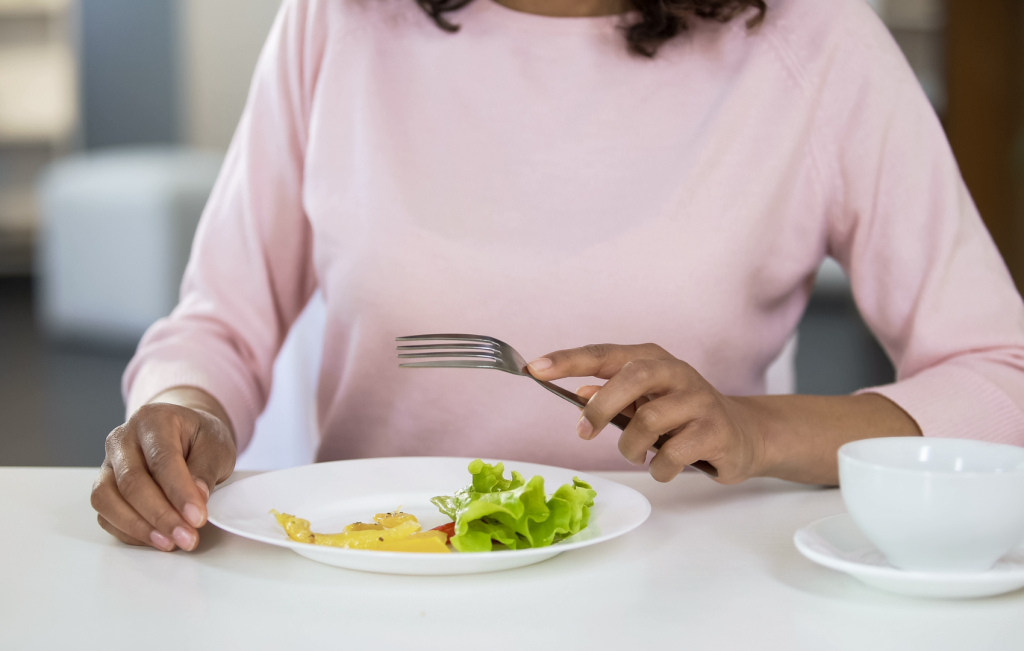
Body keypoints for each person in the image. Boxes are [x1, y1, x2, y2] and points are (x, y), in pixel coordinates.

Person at [90, 0, 1024, 553]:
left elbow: (1001, 376)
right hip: (384, 583)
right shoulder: (338, 20)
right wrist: (187, 413)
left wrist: (757, 426)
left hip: (699, 600)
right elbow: (219, 324)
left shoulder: (816, 41)